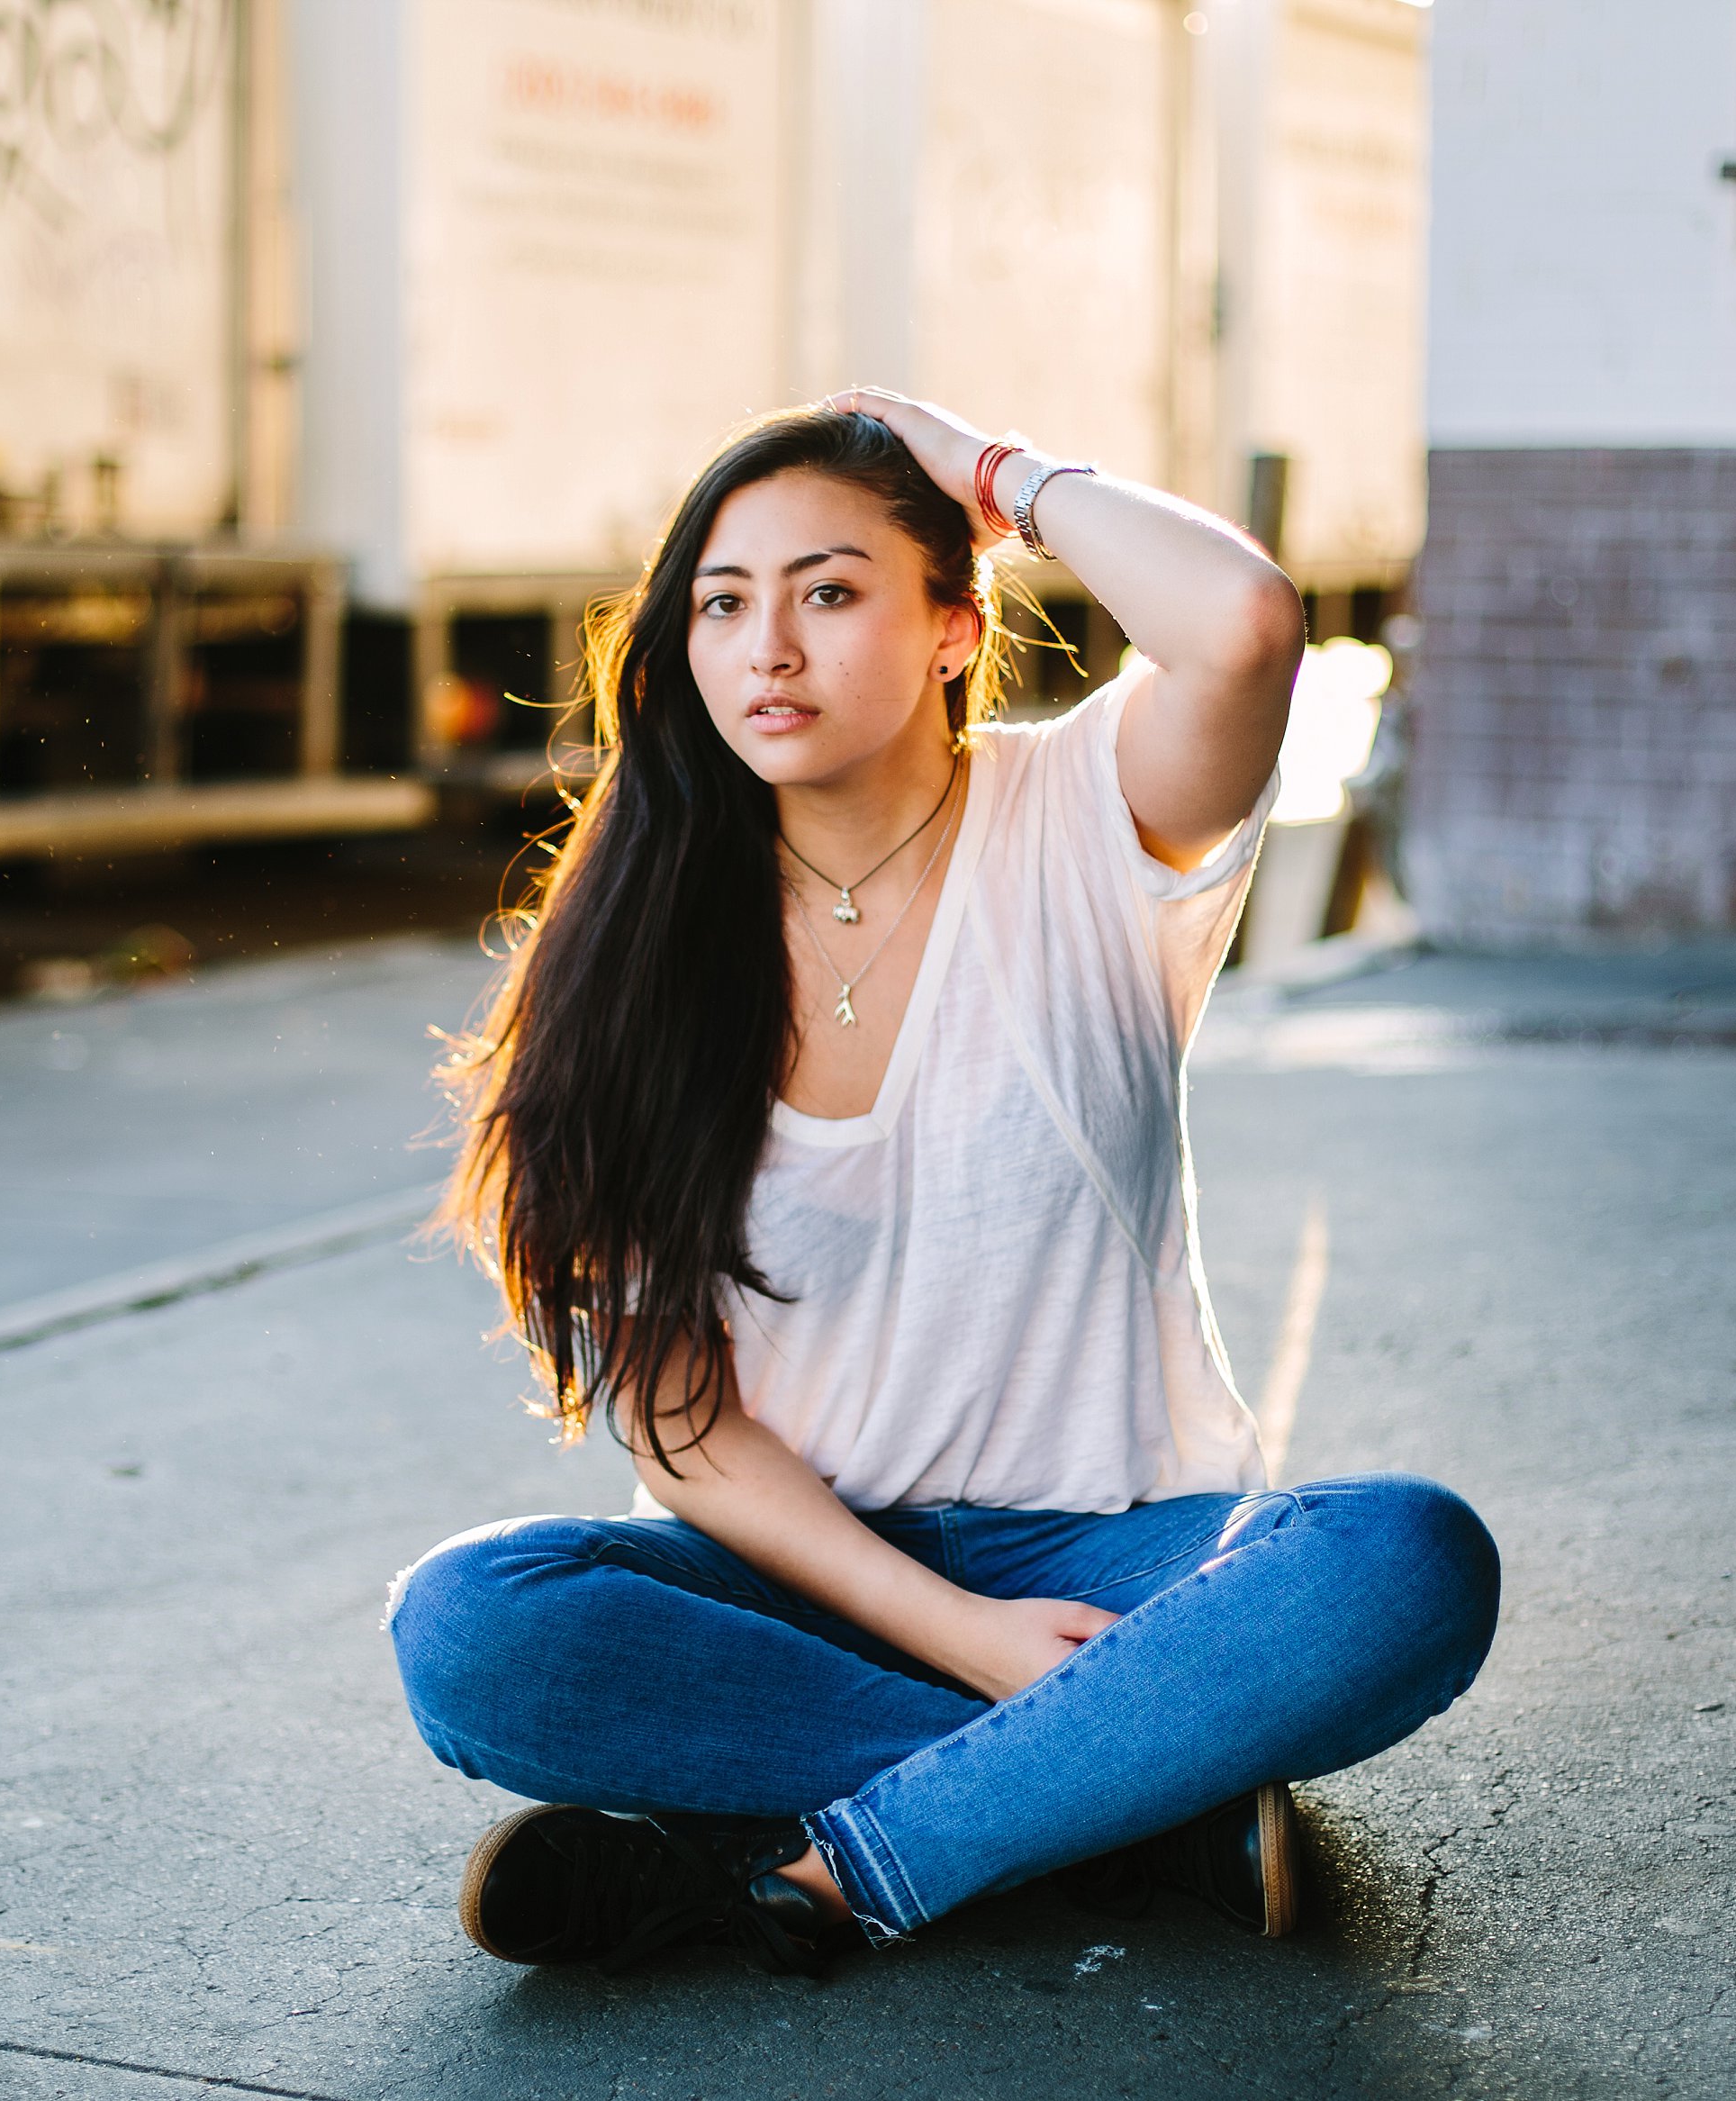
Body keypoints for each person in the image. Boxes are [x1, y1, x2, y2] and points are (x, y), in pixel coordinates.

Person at [387, 395, 1497, 1978]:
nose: (767, 646)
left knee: (1401, 1562)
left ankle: (833, 1860)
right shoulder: (640, 939)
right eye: (722, 602)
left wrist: (996, 473)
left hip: (1123, 1552)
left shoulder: (1088, 818)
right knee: (469, 1626)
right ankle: (1136, 1799)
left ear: (955, 628)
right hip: (802, 1574)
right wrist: (963, 1635)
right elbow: (671, 1414)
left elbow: (1246, 623)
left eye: (830, 591)